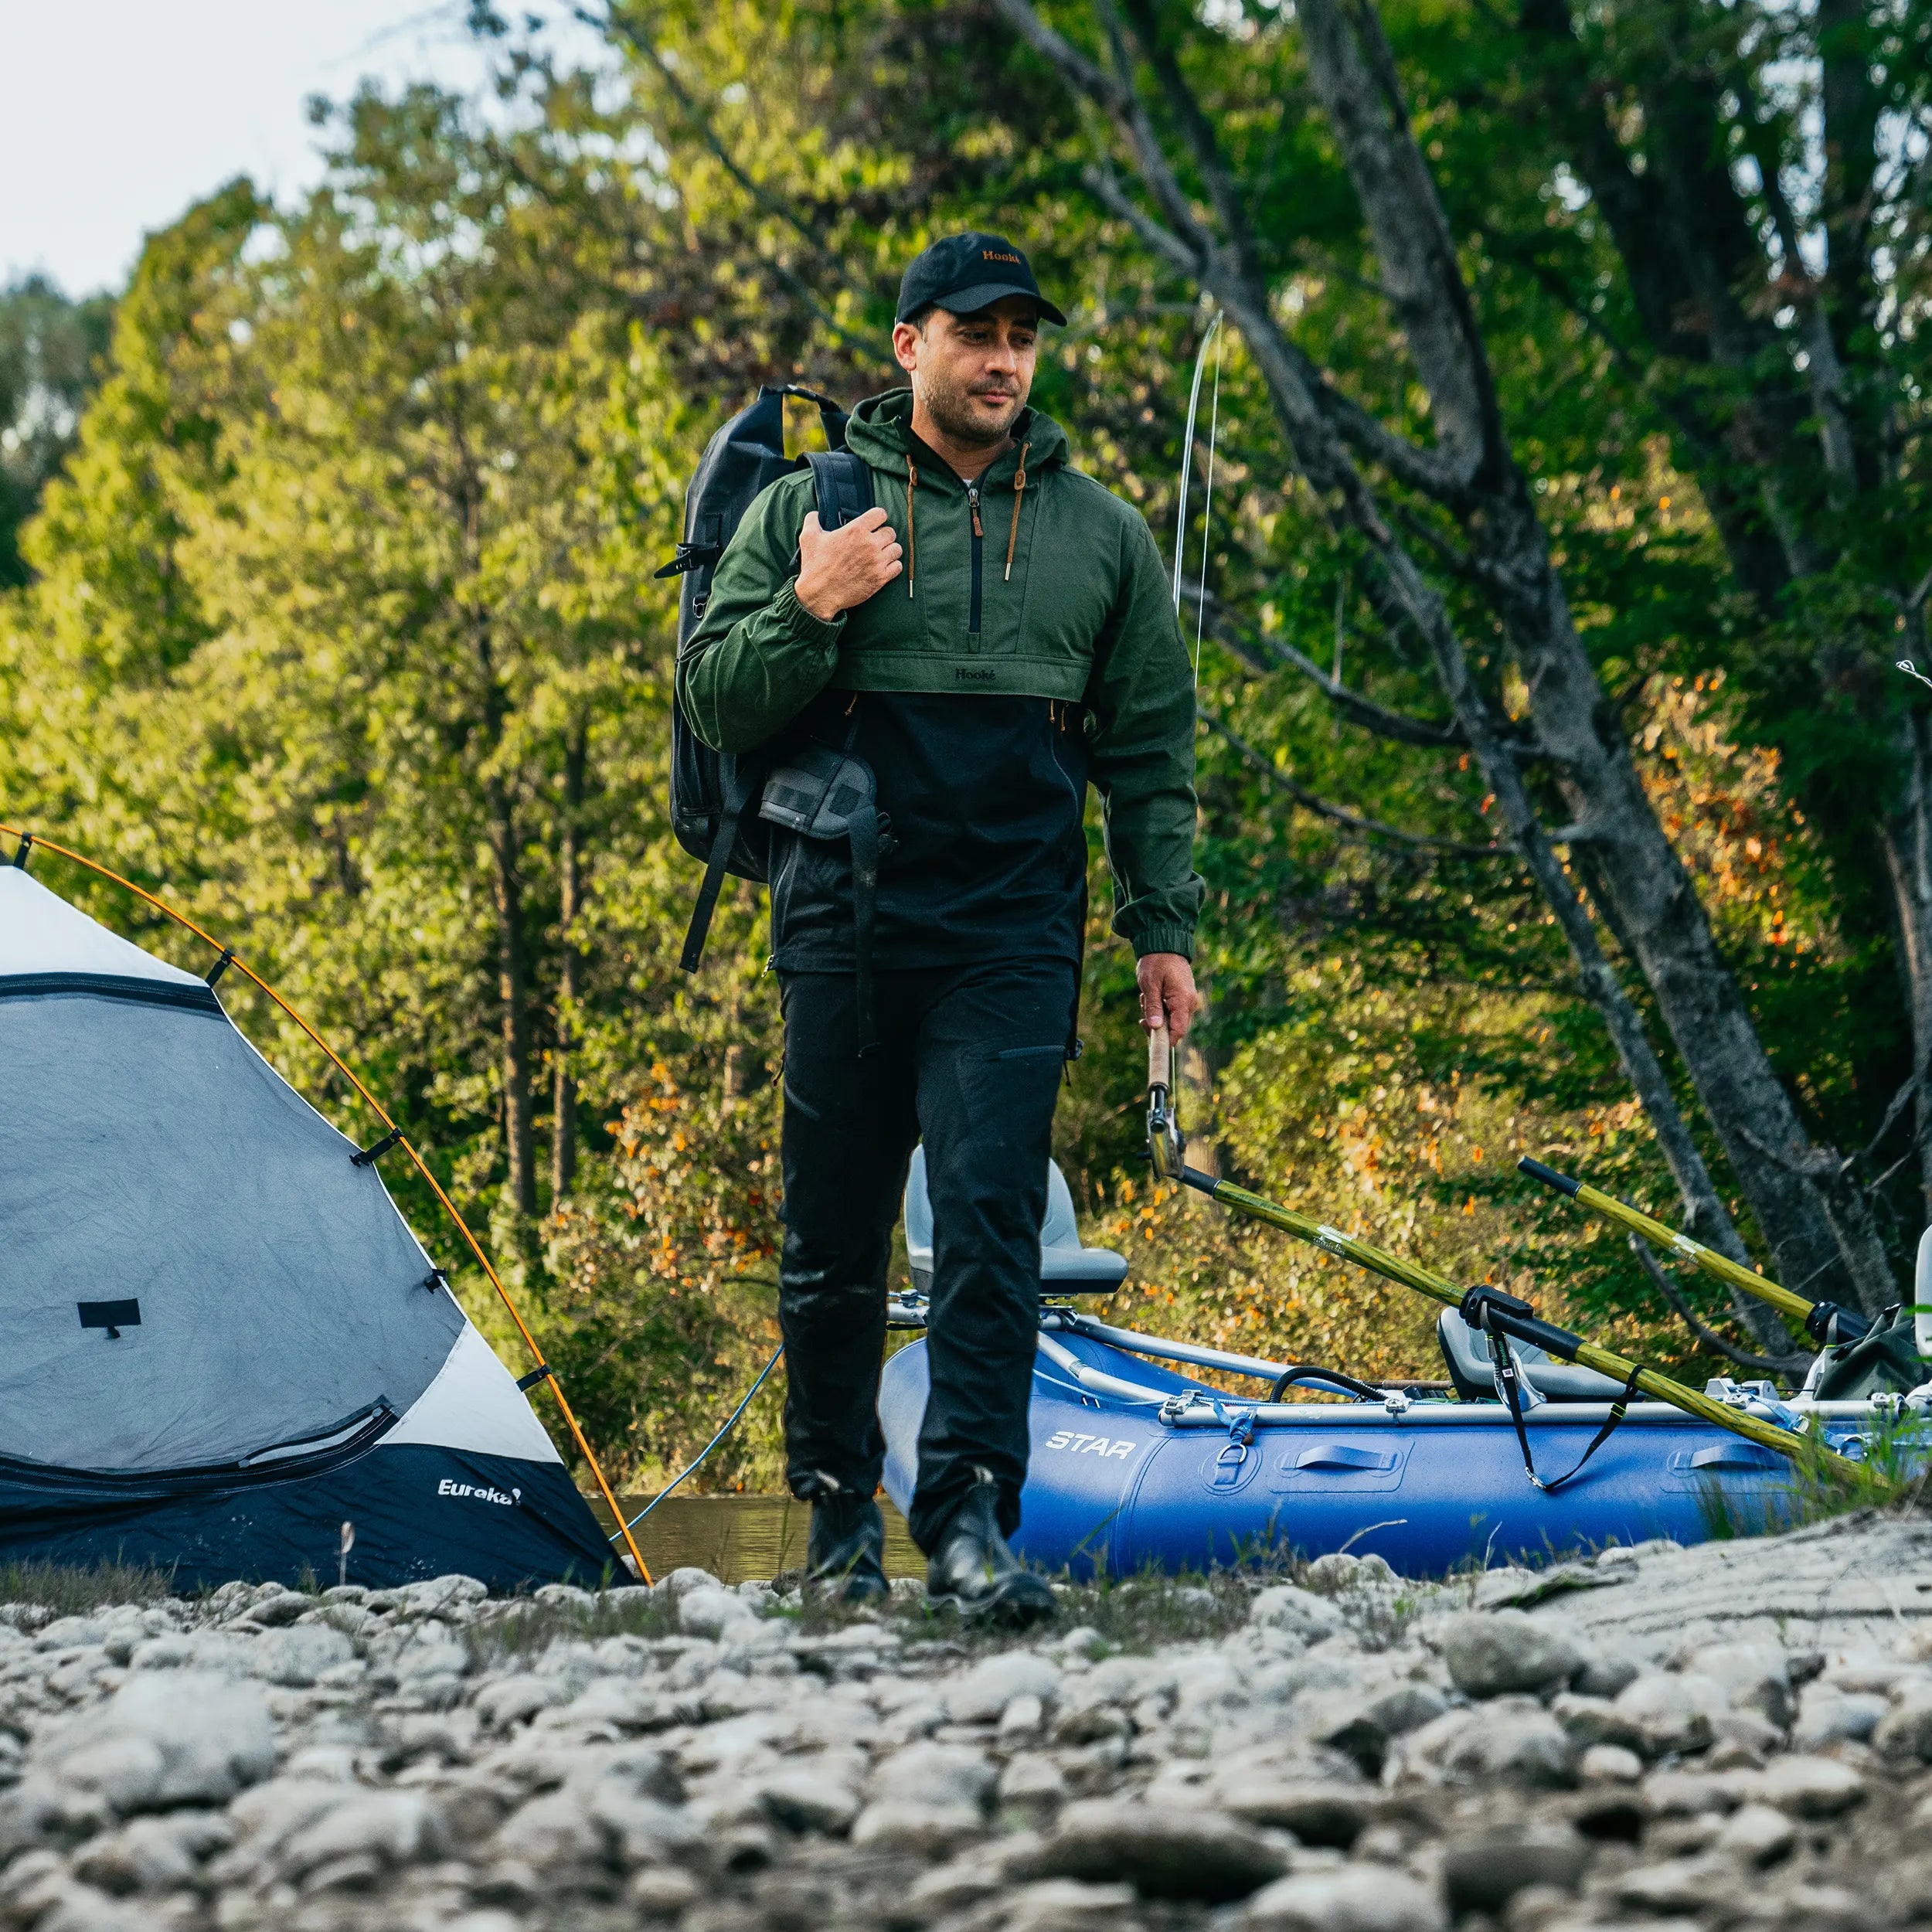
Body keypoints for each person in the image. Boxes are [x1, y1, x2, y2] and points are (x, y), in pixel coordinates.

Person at [677, 232, 1202, 1622]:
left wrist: (1165, 930)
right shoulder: (809, 505)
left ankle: (970, 1518)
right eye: (975, 334)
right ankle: (841, 1518)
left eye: (1023, 336)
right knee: (833, 1232)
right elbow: (715, 700)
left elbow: (1149, 748)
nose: (1004, 360)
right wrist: (813, 599)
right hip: (841, 920)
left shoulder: (1102, 534)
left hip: (1013, 931)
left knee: (987, 1220)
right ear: (909, 345)